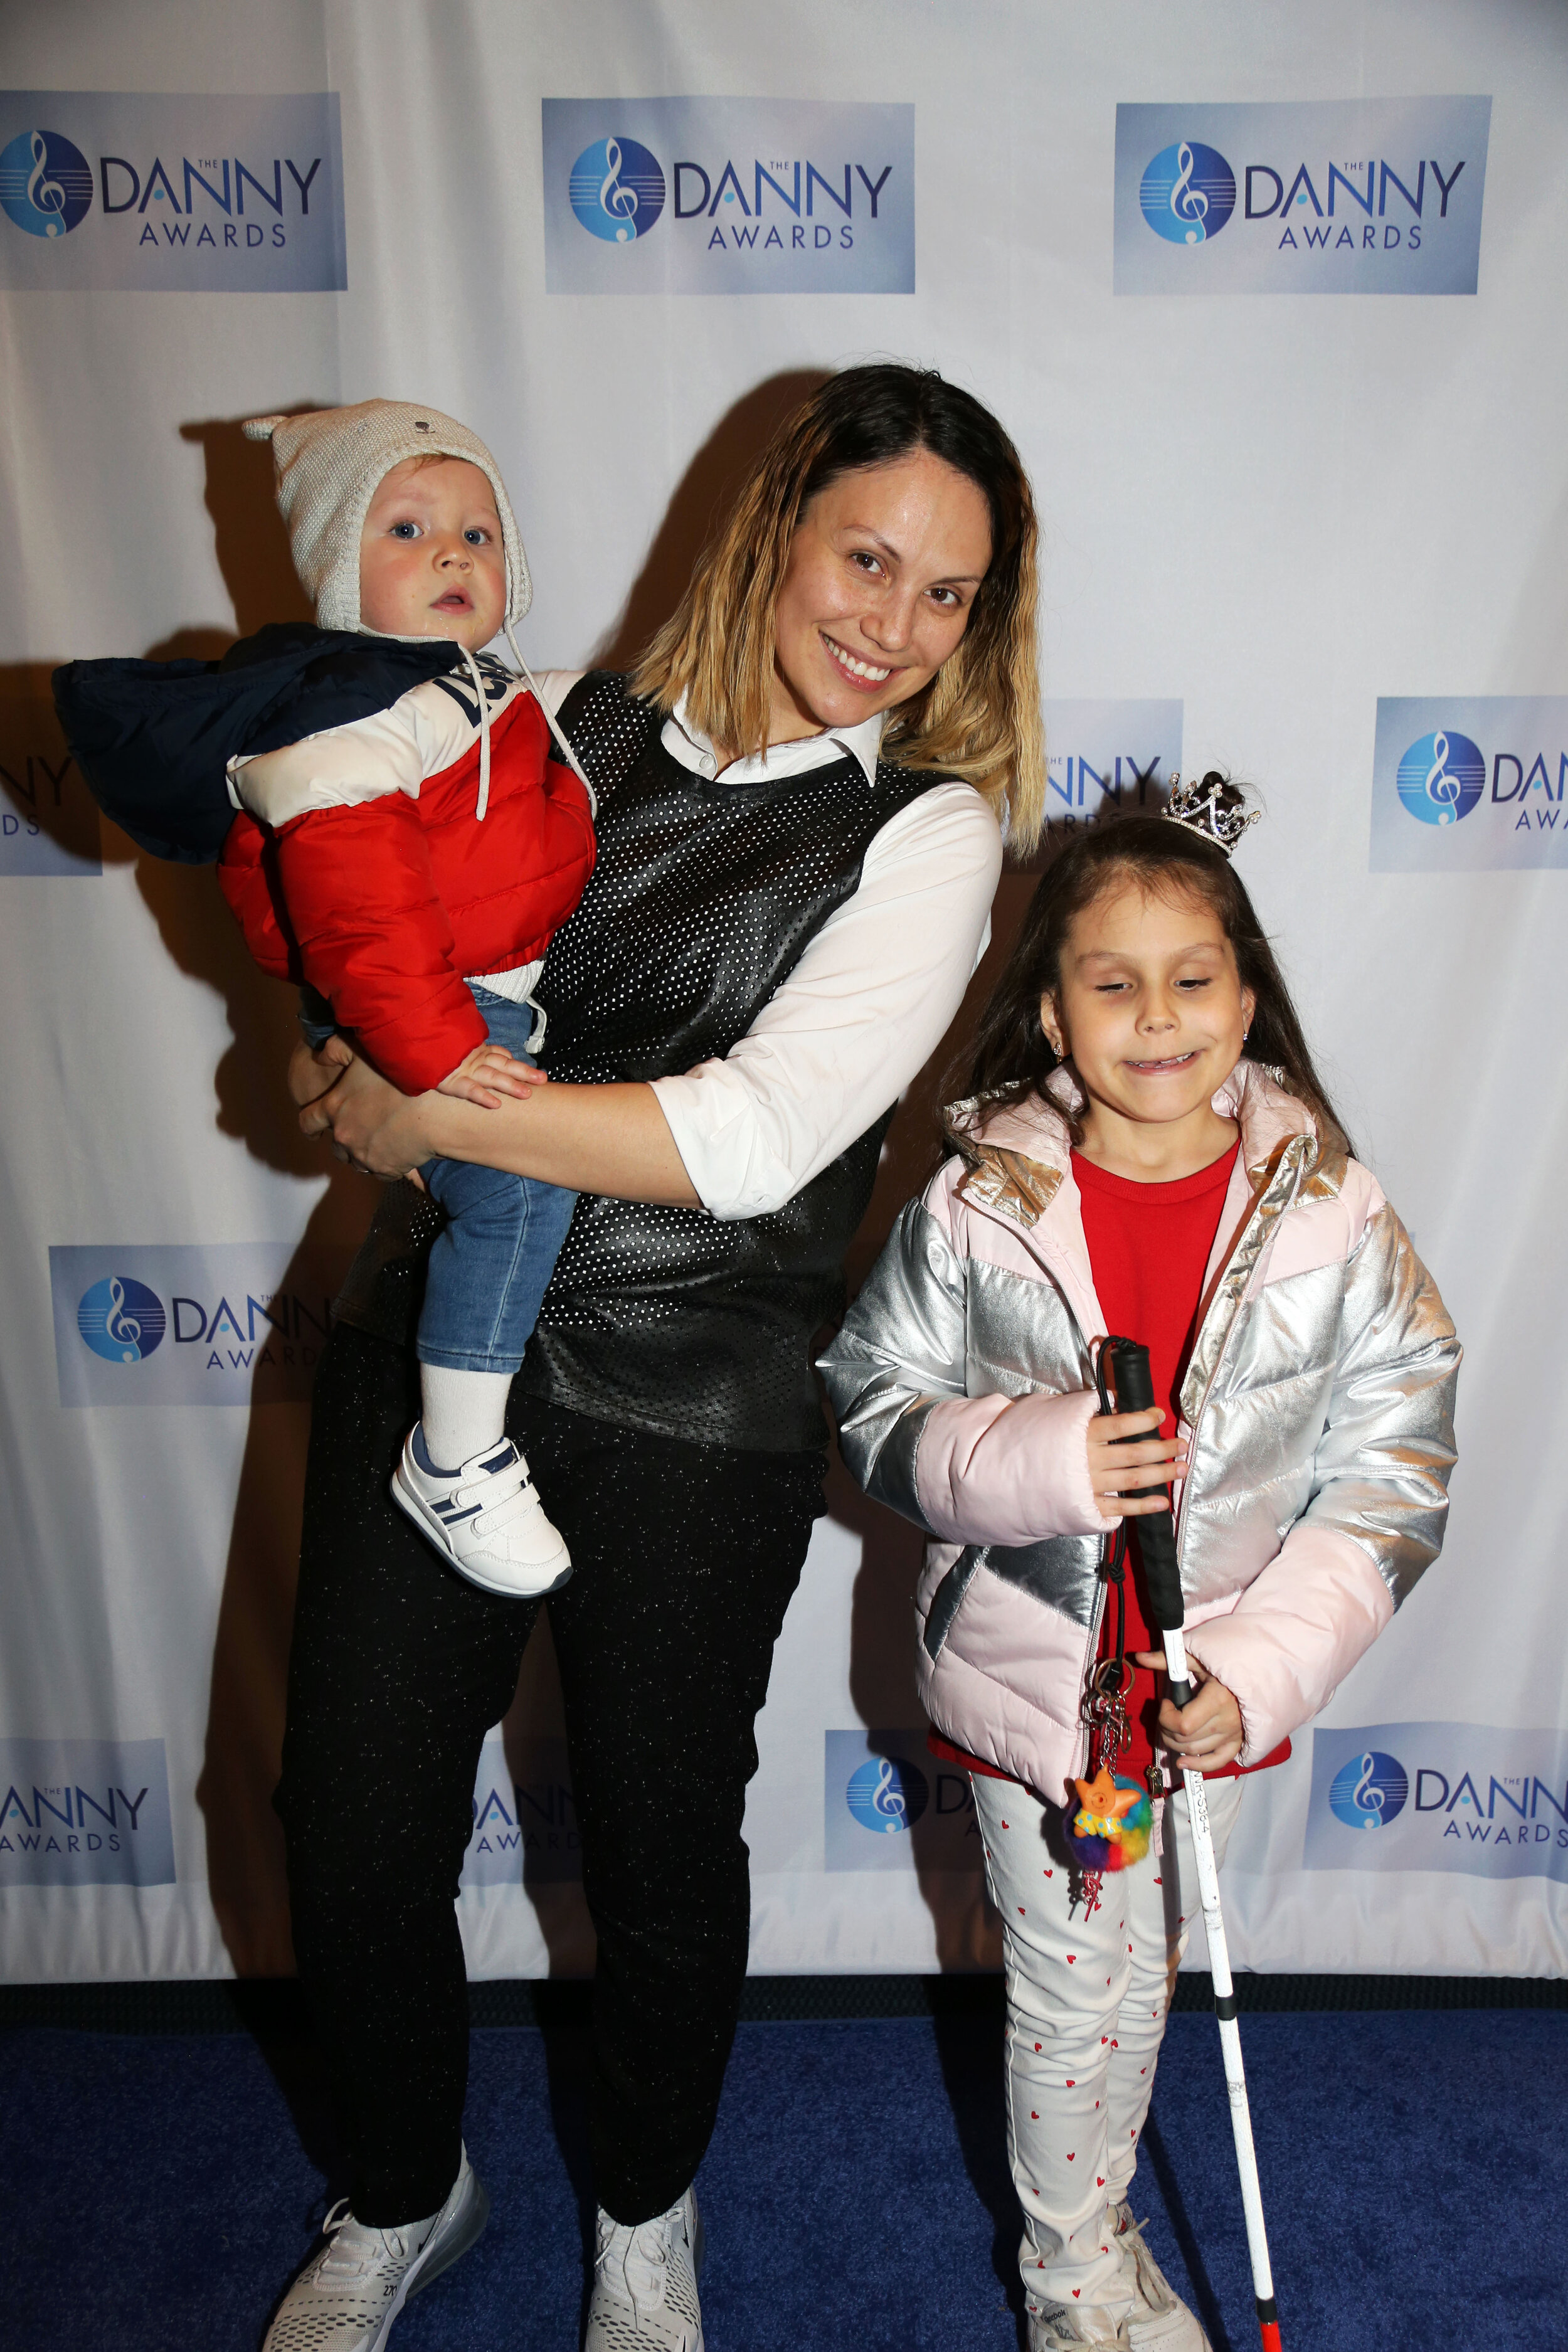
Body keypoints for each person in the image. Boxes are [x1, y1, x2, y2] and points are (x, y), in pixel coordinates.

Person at [264, 363, 1047, 2352]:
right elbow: (377, 972)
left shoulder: (927, 833)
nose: (890, 619)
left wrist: (433, 1104)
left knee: (657, 1854)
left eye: (944, 591)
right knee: (347, 1824)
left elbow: (750, 1140)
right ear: (776, 525)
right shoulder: (550, 721)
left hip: (692, 1407)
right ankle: (405, 2186)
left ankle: (643, 2210)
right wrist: (346, 1065)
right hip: (427, 1347)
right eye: (863, 555)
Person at [820, 778, 1459, 2352]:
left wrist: (1257, 1670)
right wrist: (1041, 1461)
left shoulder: (1330, 1211)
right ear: (1051, 1012)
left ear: (1245, 997)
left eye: (1191, 978)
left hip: (1202, 1693)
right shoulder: (979, 1200)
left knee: (1134, 1979)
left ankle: (1092, 2230)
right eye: (1112, 983)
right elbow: (870, 1402)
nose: (1157, 1017)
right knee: (1066, 1989)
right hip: (1032, 1687)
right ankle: (1069, 2284)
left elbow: (1394, 1463)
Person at [55, 399, 597, 1598]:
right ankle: (456, 1459)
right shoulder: (348, 709)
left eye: (479, 533)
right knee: (519, 1189)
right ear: (336, 569)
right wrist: (437, 1050)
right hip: (425, 1003)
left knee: (516, 1185)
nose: (453, 553)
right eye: (407, 529)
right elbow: (358, 902)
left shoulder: (464, 687)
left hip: (458, 994)